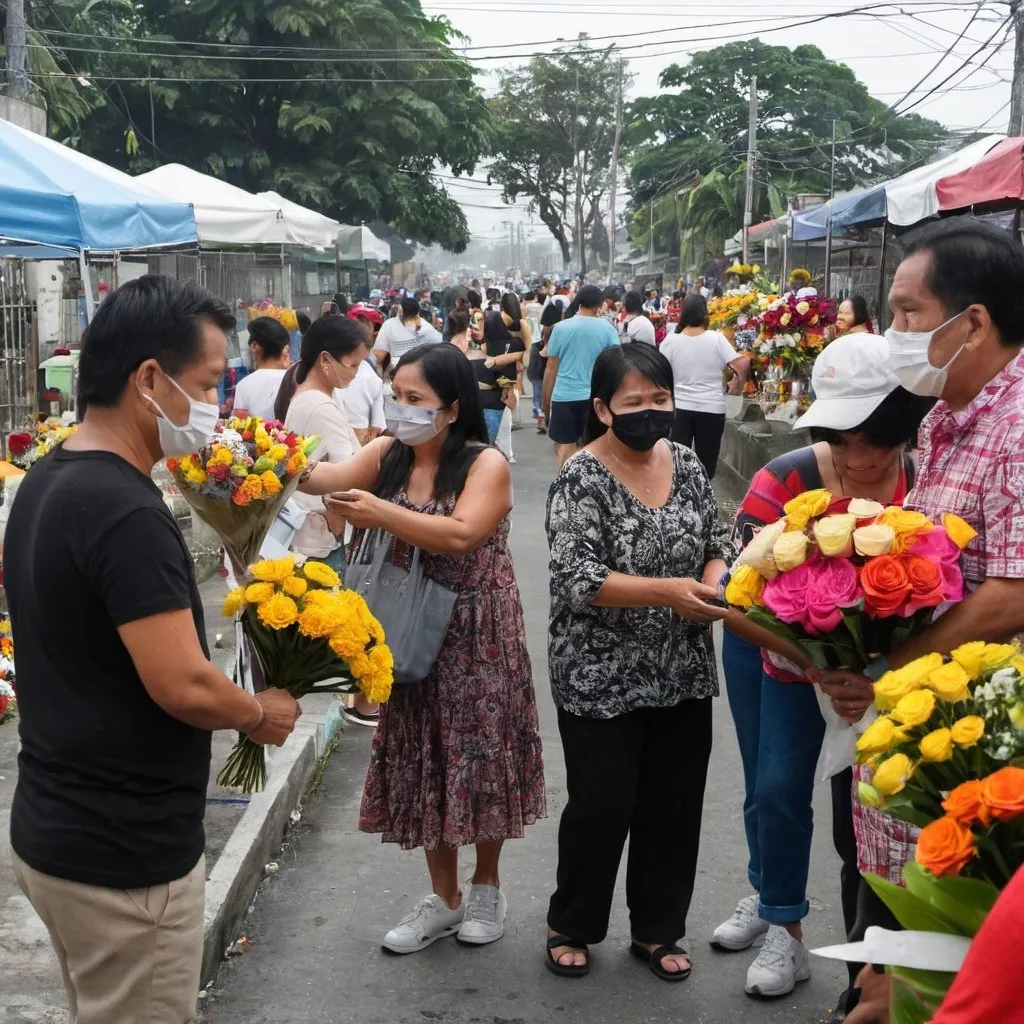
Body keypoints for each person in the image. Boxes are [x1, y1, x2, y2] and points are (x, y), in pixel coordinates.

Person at [5, 276, 301, 1024]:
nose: (218, 406)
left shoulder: (49, 480)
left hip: (55, 825)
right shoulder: (124, 512)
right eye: (207, 384)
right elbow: (183, 685)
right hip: (122, 857)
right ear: (148, 380)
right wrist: (257, 711)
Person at [820, 216, 1024, 1017]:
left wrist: (883, 673)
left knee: (951, 980)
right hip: (923, 737)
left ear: (971, 321)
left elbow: (1011, 592)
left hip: (977, 759)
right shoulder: (943, 419)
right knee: (895, 962)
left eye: (907, 312)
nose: (893, 331)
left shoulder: (1016, 429)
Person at [299, 342, 546, 953]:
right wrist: (249, 461)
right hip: (406, 633)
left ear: (451, 408)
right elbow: (319, 477)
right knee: (424, 755)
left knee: (479, 754)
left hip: (474, 632)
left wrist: (381, 513)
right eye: (395, 396)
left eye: (416, 400)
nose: (401, 409)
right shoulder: (387, 452)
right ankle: (445, 898)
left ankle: (486, 885)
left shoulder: (484, 463)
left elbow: (461, 535)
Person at [714, 333, 935, 1000]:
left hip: (883, 676)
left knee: (869, 811)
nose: (856, 457)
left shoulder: (927, 481)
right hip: (778, 659)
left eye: (872, 438)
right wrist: (819, 667)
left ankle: (873, 964)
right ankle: (782, 922)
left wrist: (868, 669)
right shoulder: (783, 479)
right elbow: (738, 598)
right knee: (775, 787)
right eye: (840, 438)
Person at [544, 343, 732, 981]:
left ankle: (658, 929)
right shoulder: (581, 477)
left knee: (674, 803)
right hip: (599, 671)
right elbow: (578, 576)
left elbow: (718, 541)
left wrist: (711, 582)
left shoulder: (685, 461)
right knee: (603, 803)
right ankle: (572, 921)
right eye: (634, 403)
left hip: (682, 667)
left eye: (661, 399)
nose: (651, 413)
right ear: (601, 409)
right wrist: (668, 591)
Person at [659, 294, 748, 480]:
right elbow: (742, 363)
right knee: (706, 465)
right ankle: (703, 498)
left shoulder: (670, 341)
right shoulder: (716, 339)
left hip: (680, 409)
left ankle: (680, 500)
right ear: (704, 315)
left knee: (677, 463)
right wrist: (737, 384)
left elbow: (660, 374)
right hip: (712, 408)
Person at [542, 283, 620, 468]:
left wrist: (545, 404)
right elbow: (616, 366)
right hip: (595, 398)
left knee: (564, 448)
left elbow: (550, 370)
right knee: (594, 449)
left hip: (564, 397)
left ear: (578, 303)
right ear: (599, 305)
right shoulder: (607, 329)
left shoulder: (560, 328)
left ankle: (564, 489)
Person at [232, 315, 291, 421]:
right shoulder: (295, 380)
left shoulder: (244, 385)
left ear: (254, 346)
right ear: (285, 349)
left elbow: (239, 428)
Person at [373, 295, 442, 373]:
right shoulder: (426, 326)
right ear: (418, 311)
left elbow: (379, 356)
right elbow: (441, 346)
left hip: (397, 372)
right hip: (421, 372)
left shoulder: (389, 325)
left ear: (401, 310)